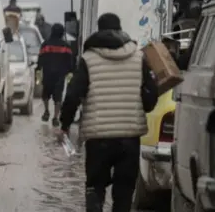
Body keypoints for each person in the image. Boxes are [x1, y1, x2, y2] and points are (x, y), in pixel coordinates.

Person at [58, 13, 159, 212]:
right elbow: (151, 93)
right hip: (129, 138)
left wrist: (65, 125)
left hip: (98, 139)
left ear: (99, 29)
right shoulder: (139, 57)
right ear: (120, 29)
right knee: (124, 192)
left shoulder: (88, 59)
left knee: (95, 188)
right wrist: (143, 106)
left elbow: (72, 95)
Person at [36, 23, 74, 126]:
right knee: (58, 97)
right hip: (60, 77)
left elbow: (39, 63)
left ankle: (46, 111)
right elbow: (70, 65)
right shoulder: (67, 47)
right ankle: (55, 117)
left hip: (47, 75)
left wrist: (38, 79)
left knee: (45, 95)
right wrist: (70, 80)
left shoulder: (45, 45)